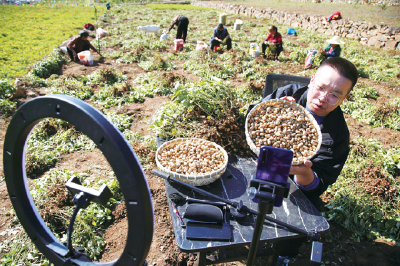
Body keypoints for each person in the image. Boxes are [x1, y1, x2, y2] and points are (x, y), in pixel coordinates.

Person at [248, 57, 358, 265]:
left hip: (295, 188)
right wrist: (270, 111)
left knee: (297, 225)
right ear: (312, 79)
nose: (323, 98)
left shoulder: (337, 136)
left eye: (335, 95)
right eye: (321, 88)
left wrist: (302, 172)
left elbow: (320, 182)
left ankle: (282, 255)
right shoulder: (287, 94)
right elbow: (252, 115)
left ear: (345, 98)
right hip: (258, 163)